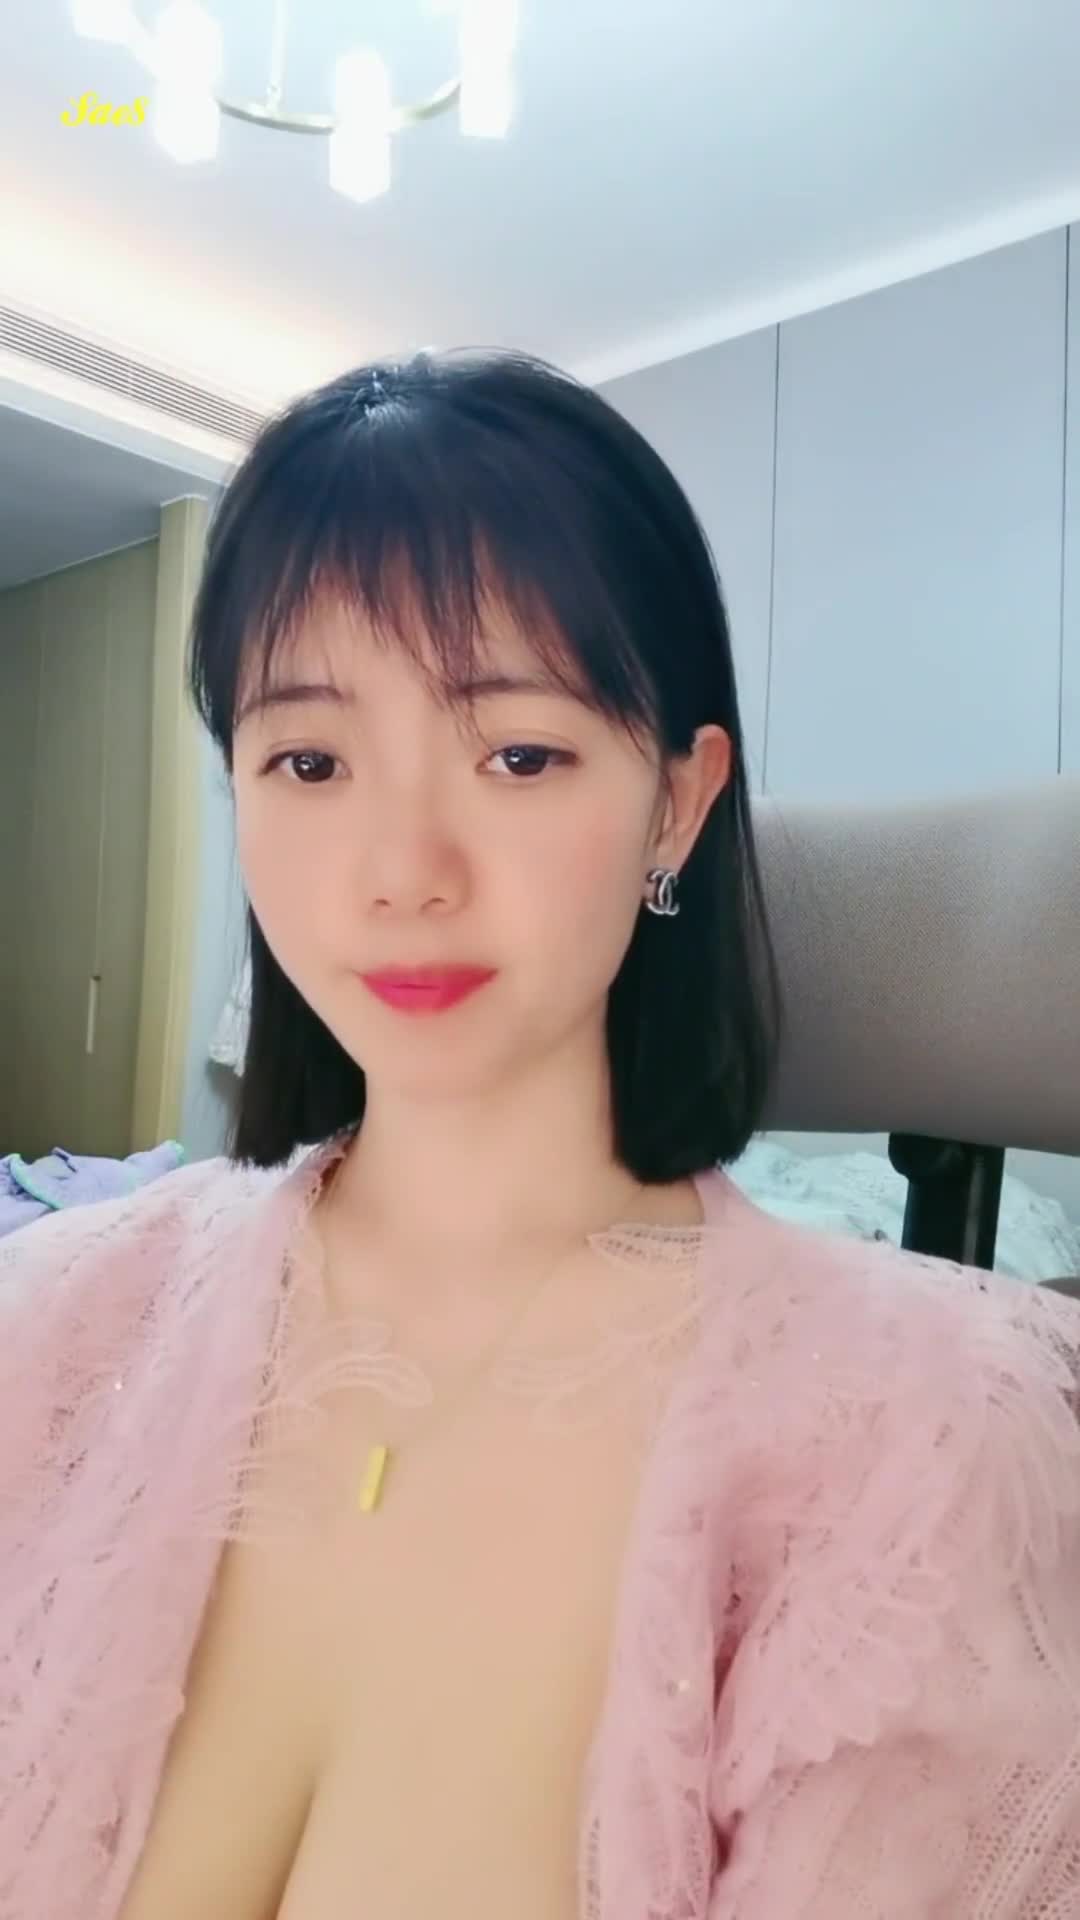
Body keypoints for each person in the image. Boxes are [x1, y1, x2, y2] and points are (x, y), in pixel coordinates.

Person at [2, 350, 1079, 1920]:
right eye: (309, 760)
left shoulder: (940, 1441)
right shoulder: (52, 1321)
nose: (402, 869)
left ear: (676, 805)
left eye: (517, 754)